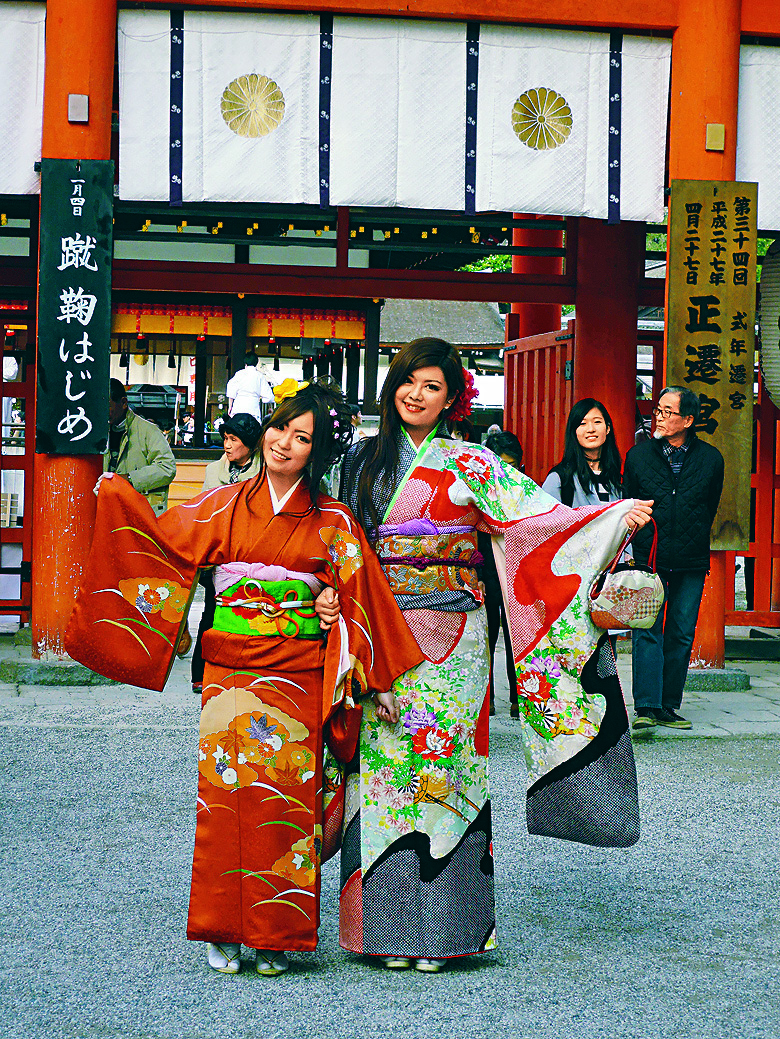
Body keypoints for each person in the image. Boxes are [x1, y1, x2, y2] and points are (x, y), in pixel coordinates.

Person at [66, 381, 422, 977]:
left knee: (287, 803)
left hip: (296, 675)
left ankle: (277, 932)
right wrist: (118, 498)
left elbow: (362, 596)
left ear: (318, 452)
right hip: (230, 672)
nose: (283, 442)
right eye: (280, 427)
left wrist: (374, 671)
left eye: (302, 437)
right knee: (224, 802)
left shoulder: (333, 521)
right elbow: (160, 546)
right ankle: (223, 926)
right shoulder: (223, 503)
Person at [332, 338, 652, 972]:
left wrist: (613, 518)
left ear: (452, 399)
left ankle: (443, 932)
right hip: (379, 627)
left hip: (454, 639)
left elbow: (542, 523)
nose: (416, 395)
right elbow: (335, 538)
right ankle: (383, 932)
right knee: (380, 774)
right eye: (408, 381)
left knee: (446, 772)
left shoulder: (475, 463)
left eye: (432, 386)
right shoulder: (360, 460)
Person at [623, 386, 724, 731]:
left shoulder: (711, 459)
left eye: (668, 412)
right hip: (649, 557)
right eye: (658, 410)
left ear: (688, 420)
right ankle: (646, 706)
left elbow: (709, 506)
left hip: (691, 559)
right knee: (646, 629)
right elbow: (630, 503)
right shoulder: (638, 456)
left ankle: (668, 706)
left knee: (681, 632)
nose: (660, 417)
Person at [190, 413, 263, 696]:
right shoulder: (213, 471)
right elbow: (203, 510)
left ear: (251, 444)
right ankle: (201, 673)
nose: (227, 445)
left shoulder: (265, 470)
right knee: (210, 612)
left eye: (234, 439)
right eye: (225, 439)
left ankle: (241, 670)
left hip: (250, 553)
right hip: (218, 553)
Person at [482, 430, 525, 717]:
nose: (505, 471)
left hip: (515, 574)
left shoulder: (526, 492)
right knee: (486, 638)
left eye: (511, 465)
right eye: (499, 465)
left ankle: (517, 697)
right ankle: (486, 698)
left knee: (515, 639)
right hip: (485, 572)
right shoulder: (478, 491)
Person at [107, 378, 177, 517]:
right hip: (108, 509)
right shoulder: (97, 431)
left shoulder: (148, 430)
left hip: (139, 512)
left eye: (107, 406)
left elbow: (167, 467)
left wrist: (129, 478)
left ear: (124, 403)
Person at [542, 398, 623, 507]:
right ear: (574, 431)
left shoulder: (615, 477)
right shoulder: (560, 478)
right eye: (582, 423)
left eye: (597, 422)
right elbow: (544, 516)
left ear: (608, 428)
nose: (591, 429)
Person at [226, 352, 276, 421]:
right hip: (253, 408)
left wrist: (230, 407)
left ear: (245, 363)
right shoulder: (259, 376)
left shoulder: (239, 374)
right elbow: (269, 397)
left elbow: (231, 391)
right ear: (256, 363)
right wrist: (261, 399)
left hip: (238, 408)